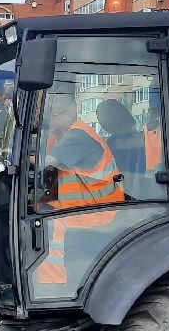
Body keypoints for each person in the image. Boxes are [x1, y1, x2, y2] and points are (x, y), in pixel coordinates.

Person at [35, 82, 125, 291]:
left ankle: (51, 288)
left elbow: (45, 162)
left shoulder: (79, 135)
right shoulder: (63, 135)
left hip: (99, 210)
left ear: (70, 110)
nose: (47, 120)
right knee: (34, 211)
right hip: (80, 204)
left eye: (52, 113)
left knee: (47, 224)